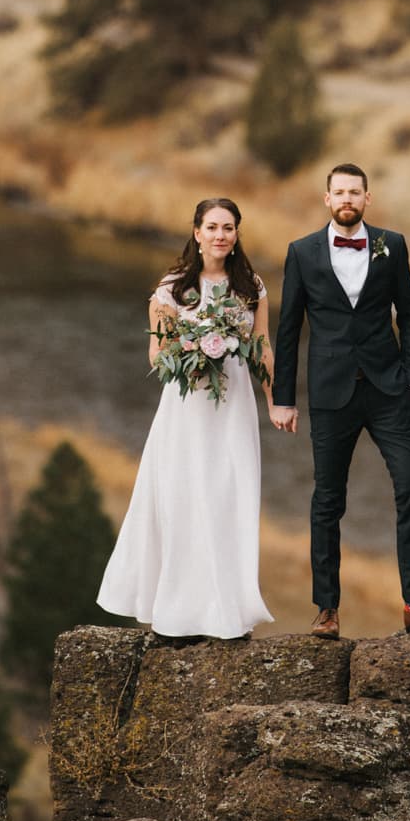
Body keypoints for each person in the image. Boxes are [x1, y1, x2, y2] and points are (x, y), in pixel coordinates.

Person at [272, 162, 410, 639]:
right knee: (328, 500)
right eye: (340, 192)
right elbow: (289, 330)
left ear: (367, 199)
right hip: (330, 393)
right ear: (327, 199)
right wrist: (283, 398)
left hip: (388, 390)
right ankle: (327, 610)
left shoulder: (391, 245)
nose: (348, 199)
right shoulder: (302, 253)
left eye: (355, 192)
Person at [97, 197, 287, 640]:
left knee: (230, 496)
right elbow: (157, 356)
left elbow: (262, 348)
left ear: (237, 234)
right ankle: (178, 614)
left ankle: (229, 612)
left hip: (234, 407)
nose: (221, 235)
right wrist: (192, 348)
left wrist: (275, 401)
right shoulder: (172, 290)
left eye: (229, 227)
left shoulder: (251, 288)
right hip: (187, 410)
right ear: (197, 233)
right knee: (185, 497)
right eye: (213, 227)